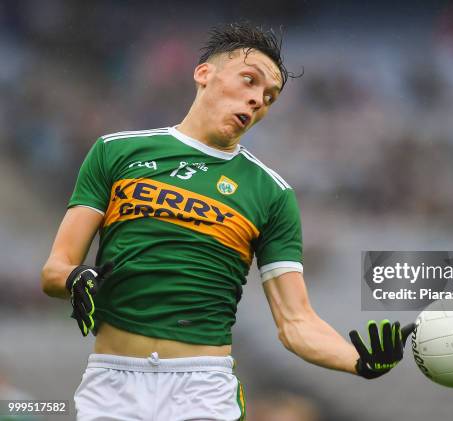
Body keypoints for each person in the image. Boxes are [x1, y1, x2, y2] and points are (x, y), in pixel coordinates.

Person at [41, 22, 414, 421]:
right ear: (204, 74)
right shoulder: (116, 152)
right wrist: (76, 278)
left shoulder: (272, 194)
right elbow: (54, 271)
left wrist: (357, 360)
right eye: (249, 81)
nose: (258, 100)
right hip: (111, 385)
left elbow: (296, 322)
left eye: (269, 97)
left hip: (202, 389)